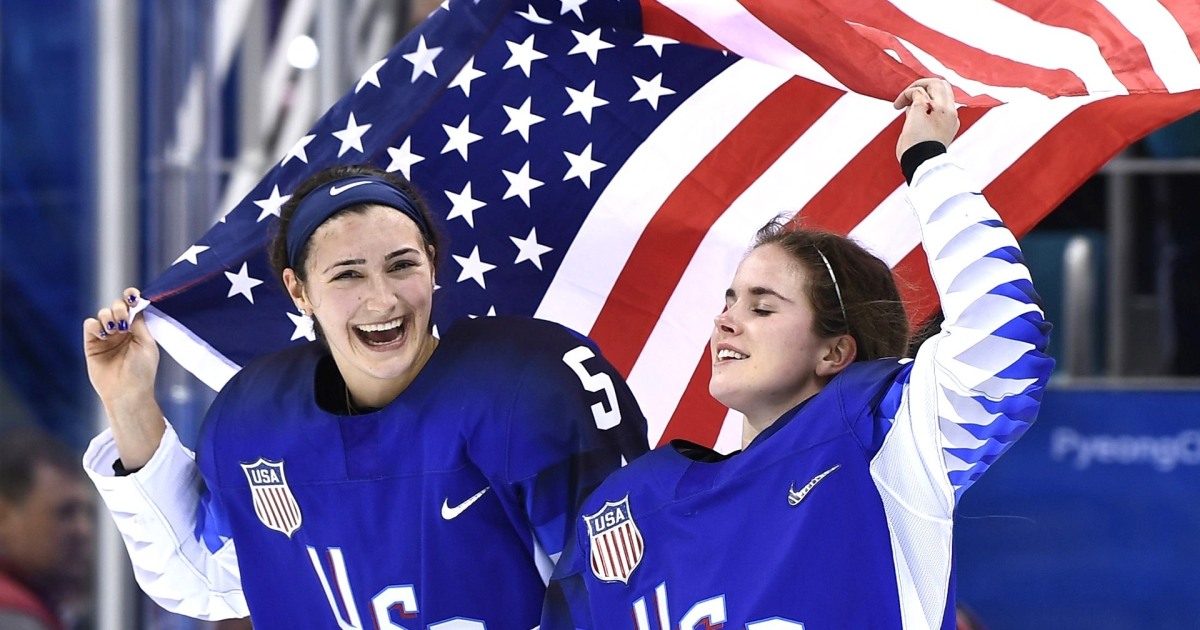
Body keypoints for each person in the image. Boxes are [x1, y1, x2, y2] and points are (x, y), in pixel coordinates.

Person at [541, 78, 1054, 629]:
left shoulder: (887, 438)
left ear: (835, 352)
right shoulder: (626, 507)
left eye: (763, 308)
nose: (726, 321)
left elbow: (1003, 339)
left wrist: (929, 162)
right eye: (730, 301)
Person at [81, 164, 649, 627]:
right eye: (348, 275)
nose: (383, 300)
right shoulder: (256, 422)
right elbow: (207, 582)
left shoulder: (527, 386)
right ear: (298, 291)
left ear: (432, 264)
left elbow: (620, 588)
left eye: (401, 265)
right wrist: (130, 401)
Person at [0, 426, 95, 630]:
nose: (83, 529)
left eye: (87, 513)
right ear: (4, 516)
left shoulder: (33, 607)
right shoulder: (12, 617)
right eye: (65, 513)